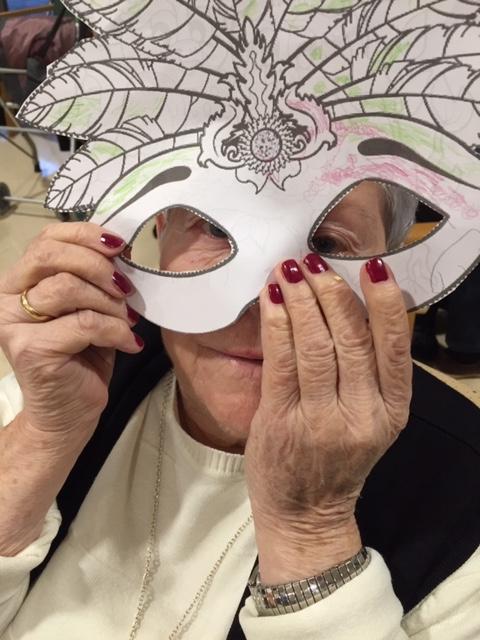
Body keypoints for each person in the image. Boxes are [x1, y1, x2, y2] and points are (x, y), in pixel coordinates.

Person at [0, 182, 479, 640]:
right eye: (215, 227)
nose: (257, 301)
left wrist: (311, 530)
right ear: (160, 226)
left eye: (326, 244)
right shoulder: (69, 372)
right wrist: (43, 437)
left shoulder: (463, 516)